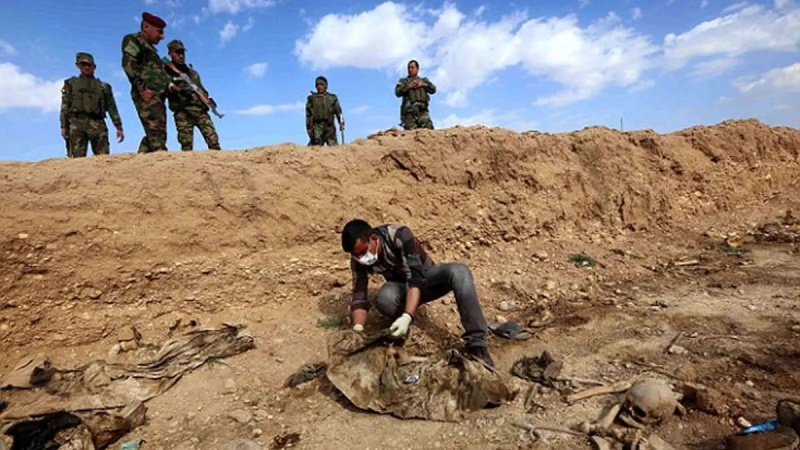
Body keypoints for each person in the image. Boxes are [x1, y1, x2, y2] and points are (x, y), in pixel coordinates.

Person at [340, 219, 494, 367]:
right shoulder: (358, 259)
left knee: (459, 272)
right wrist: (358, 329)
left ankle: (477, 344)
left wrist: (407, 316)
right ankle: (400, 327)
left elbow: (414, 278)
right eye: (356, 255)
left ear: (374, 239)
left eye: (362, 252)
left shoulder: (399, 235)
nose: (361, 258)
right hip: (401, 289)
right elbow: (359, 295)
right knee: (385, 297)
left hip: (428, 280)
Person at [121, 12, 176, 153]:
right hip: (147, 95)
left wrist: (171, 86)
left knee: (155, 135)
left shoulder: (152, 51)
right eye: (159, 32)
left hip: (157, 97)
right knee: (157, 137)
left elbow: (159, 74)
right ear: (146, 27)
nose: (162, 36)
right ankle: (163, 166)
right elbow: (128, 64)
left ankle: (140, 164)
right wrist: (142, 88)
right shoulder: (134, 40)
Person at [60, 52, 124, 158]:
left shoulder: (104, 87)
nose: (86, 67)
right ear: (78, 66)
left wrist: (118, 127)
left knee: (103, 159)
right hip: (77, 124)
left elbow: (112, 108)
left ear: (94, 67)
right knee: (77, 160)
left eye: (89, 65)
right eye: (83, 64)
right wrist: (63, 126)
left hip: (98, 124)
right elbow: (64, 106)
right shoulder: (70, 84)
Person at [164, 39, 221, 151]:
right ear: (170, 53)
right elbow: (166, 85)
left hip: (199, 111)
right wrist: (180, 90)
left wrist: (208, 99)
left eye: (182, 53)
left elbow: (201, 89)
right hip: (183, 113)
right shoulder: (166, 71)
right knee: (186, 147)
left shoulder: (192, 73)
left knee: (214, 142)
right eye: (177, 53)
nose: (181, 56)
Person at [394, 60, 436, 130]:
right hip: (409, 113)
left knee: (428, 131)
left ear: (417, 69)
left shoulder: (424, 80)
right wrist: (408, 86)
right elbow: (397, 93)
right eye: (409, 68)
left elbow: (433, 90)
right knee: (410, 134)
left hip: (422, 112)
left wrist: (422, 85)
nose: (410, 70)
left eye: (412, 68)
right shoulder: (403, 81)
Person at [305, 76, 344, 146]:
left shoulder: (332, 98)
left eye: (321, 84)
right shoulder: (311, 98)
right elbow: (308, 114)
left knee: (334, 147)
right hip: (317, 126)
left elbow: (338, 111)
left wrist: (341, 123)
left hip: (330, 127)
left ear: (326, 86)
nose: (319, 86)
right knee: (315, 147)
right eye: (317, 85)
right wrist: (309, 128)